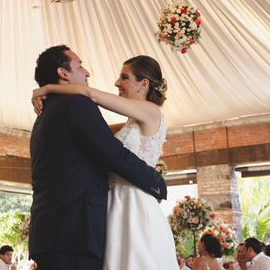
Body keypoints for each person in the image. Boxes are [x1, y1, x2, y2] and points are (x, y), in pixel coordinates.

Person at [29, 46, 168, 270]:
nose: (87, 72)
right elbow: (111, 153)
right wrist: (156, 181)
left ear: (144, 84)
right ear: (63, 73)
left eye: (124, 77)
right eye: (80, 66)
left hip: (115, 210)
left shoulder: (47, 110)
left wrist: (46, 88)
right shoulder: (74, 103)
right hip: (78, 229)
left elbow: (107, 150)